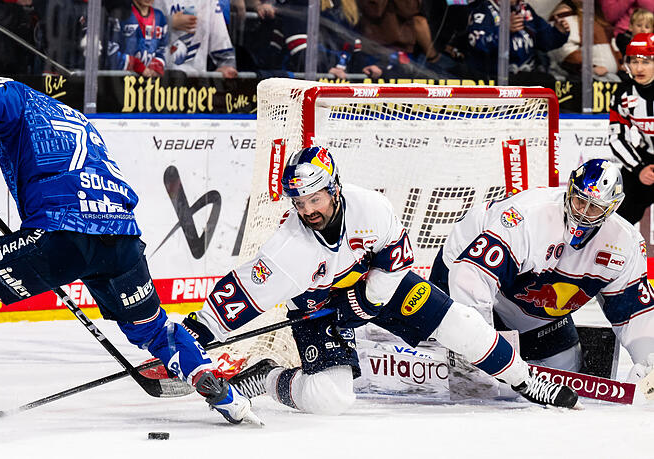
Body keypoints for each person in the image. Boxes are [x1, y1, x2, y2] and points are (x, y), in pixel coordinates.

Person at [0, 76, 257, 425]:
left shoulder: (15, 97)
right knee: (152, 329)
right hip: (122, 239)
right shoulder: (73, 116)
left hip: (64, 236)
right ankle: (221, 391)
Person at [180, 146, 578, 415]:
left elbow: (395, 260)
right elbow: (240, 293)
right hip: (320, 308)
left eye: (315, 199)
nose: (307, 210)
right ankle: (267, 378)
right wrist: (195, 333)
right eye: (299, 203)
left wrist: (367, 301)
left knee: (461, 324)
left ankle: (527, 380)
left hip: (378, 284)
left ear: (333, 188)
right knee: (329, 399)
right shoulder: (288, 250)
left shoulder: (372, 208)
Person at [429, 159, 654, 383]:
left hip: (527, 296)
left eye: (594, 207)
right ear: (570, 191)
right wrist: (482, 349)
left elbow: (637, 312)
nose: (583, 213)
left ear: (612, 208)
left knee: (567, 371)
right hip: (461, 268)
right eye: (579, 201)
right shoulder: (529, 216)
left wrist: (649, 362)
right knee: (467, 379)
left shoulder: (626, 243)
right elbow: (472, 278)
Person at [610, 32, 654, 225]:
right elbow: (617, 138)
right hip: (646, 160)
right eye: (634, 61)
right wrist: (639, 169)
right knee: (620, 214)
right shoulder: (623, 94)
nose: (639, 68)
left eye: (645, 62)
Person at [466, 0, 569, 82]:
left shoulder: (525, 10)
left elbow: (545, 42)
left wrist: (559, 33)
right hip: (494, 80)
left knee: (549, 83)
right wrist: (504, 31)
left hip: (527, 77)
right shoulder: (482, 9)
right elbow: (477, 43)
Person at [153, 0, 238, 77]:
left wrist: (226, 67)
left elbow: (223, 50)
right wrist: (168, 22)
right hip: (154, 81)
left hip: (195, 83)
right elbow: (140, 31)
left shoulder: (209, 2)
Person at [101, 0, 170, 77]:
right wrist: (136, 65)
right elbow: (109, 50)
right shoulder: (120, 14)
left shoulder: (160, 17)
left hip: (148, 83)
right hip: (119, 81)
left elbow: (163, 48)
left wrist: (156, 66)